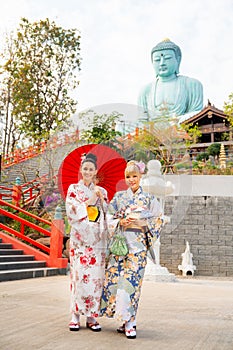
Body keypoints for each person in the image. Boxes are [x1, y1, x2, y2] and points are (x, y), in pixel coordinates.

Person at [100, 160, 163, 339]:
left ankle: (131, 322)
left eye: (134, 176)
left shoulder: (149, 199)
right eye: (128, 177)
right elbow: (108, 217)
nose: (131, 180)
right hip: (120, 247)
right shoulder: (119, 197)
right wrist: (120, 221)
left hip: (137, 248)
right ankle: (123, 320)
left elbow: (158, 220)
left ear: (140, 176)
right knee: (117, 284)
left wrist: (142, 223)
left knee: (132, 285)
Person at [65, 153, 108, 332]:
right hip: (80, 242)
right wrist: (91, 200)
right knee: (79, 277)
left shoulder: (102, 191)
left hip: (96, 241)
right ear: (81, 170)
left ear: (95, 171)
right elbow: (72, 211)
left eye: (91, 169)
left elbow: (107, 215)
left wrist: (102, 201)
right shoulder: (73, 188)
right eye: (85, 168)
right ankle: (75, 315)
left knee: (96, 278)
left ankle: (92, 317)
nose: (88, 172)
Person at [138, 38, 203, 123]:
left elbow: (196, 114)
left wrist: (177, 120)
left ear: (178, 60)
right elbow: (141, 120)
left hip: (179, 124)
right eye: (157, 60)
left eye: (167, 58)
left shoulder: (192, 84)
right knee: (120, 126)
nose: (162, 63)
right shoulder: (146, 89)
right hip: (152, 129)